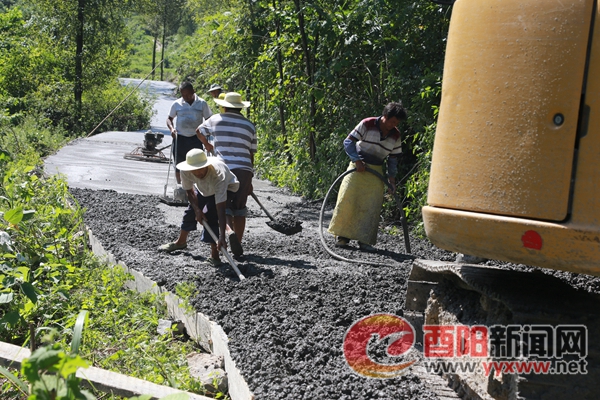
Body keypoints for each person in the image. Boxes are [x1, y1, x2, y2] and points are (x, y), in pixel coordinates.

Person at [328, 102, 407, 252]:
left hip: (376, 171)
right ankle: (342, 237)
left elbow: (393, 159)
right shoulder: (367, 123)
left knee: (370, 205)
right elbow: (348, 141)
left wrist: (391, 180)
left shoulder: (396, 135)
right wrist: (357, 160)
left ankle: (364, 240)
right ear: (385, 116)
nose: (394, 125)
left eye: (397, 122)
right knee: (348, 199)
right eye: (392, 121)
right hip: (357, 168)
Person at [195, 92, 256, 256]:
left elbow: (198, 130)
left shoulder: (215, 119)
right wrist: (250, 179)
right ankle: (239, 246)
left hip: (224, 168)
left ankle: (229, 232)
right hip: (245, 170)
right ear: (240, 107)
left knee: (224, 205)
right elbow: (251, 154)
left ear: (224, 106)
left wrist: (208, 145)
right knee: (240, 209)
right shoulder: (250, 125)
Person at [158, 149, 241, 267]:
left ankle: (215, 255)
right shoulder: (186, 171)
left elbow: (220, 209)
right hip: (203, 189)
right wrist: (197, 210)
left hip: (228, 187)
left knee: (210, 214)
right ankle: (180, 242)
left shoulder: (218, 175)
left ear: (206, 165)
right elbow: (190, 191)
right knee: (189, 212)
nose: (197, 173)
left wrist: (222, 236)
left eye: (200, 169)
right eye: (194, 170)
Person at [167, 82, 212, 185]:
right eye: (183, 95)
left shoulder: (202, 103)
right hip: (180, 138)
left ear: (193, 91)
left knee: (197, 164)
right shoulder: (177, 104)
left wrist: (207, 132)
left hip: (196, 138)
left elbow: (209, 119)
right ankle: (180, 187)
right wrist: (171, 129)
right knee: (179, 164)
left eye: (188, 94)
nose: (186, 97)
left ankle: (196, 187)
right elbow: (169, 119)